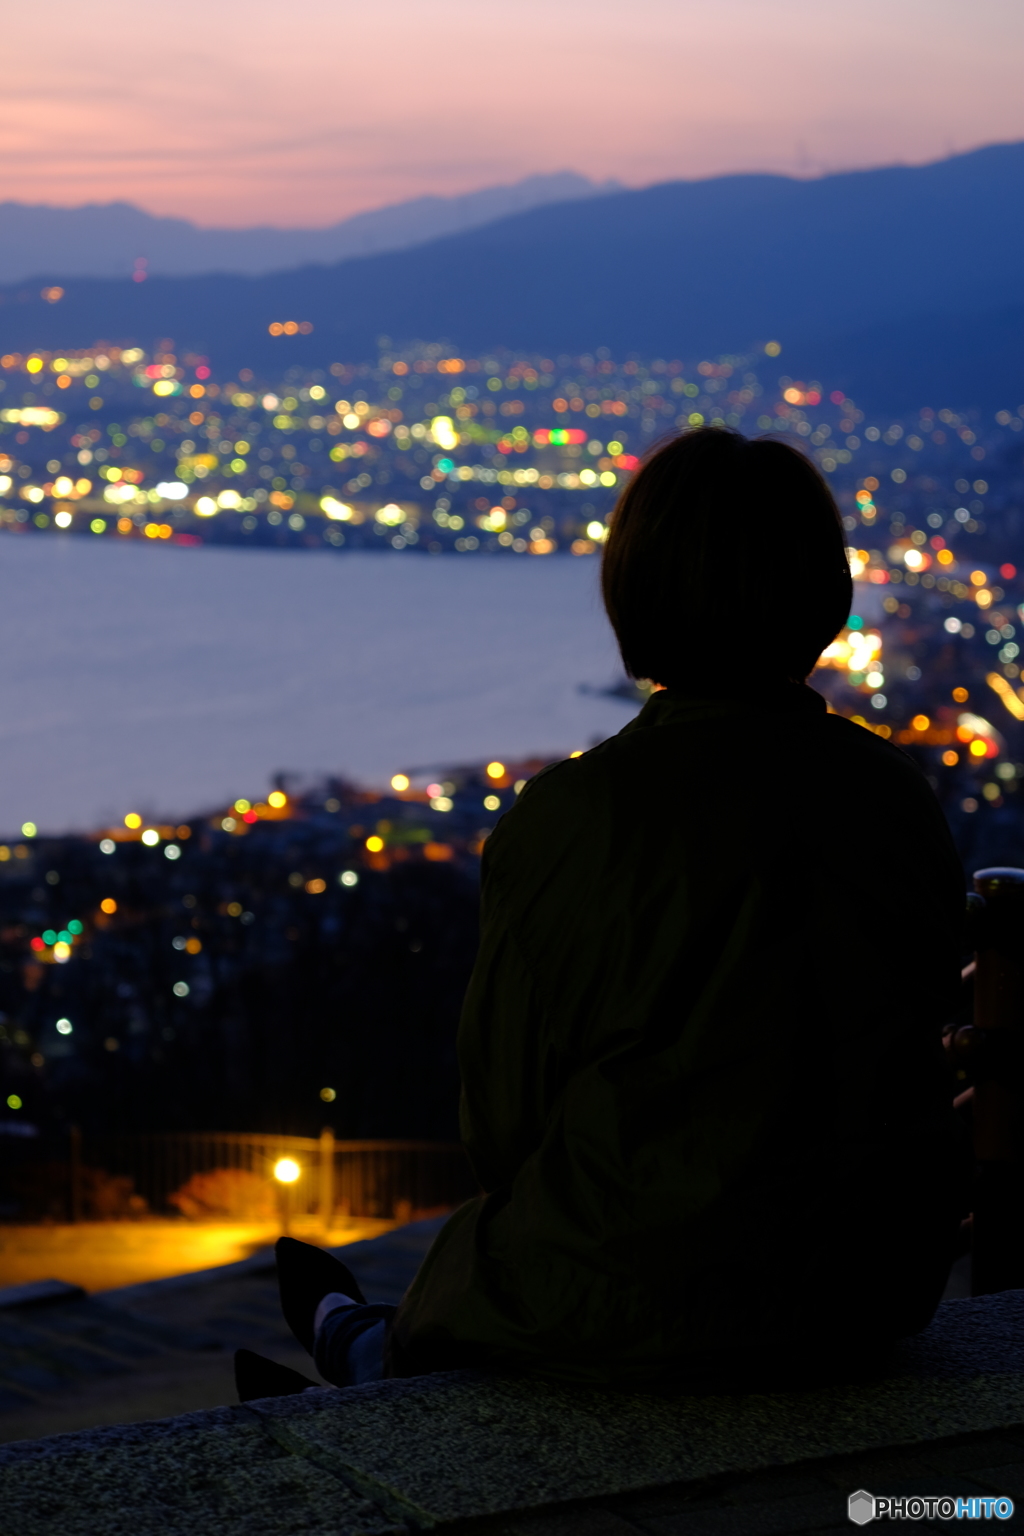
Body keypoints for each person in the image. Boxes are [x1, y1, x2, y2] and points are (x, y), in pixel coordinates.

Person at [240, 426, 966, 1402]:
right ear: (820, 592)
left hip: (647, 1294)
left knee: (494, 1264)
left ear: (635, 591)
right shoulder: (895, 797)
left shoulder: (576, 820)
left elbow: (505, 1126)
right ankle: (352, 1338)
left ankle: (353, 1349)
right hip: (867, 1285)